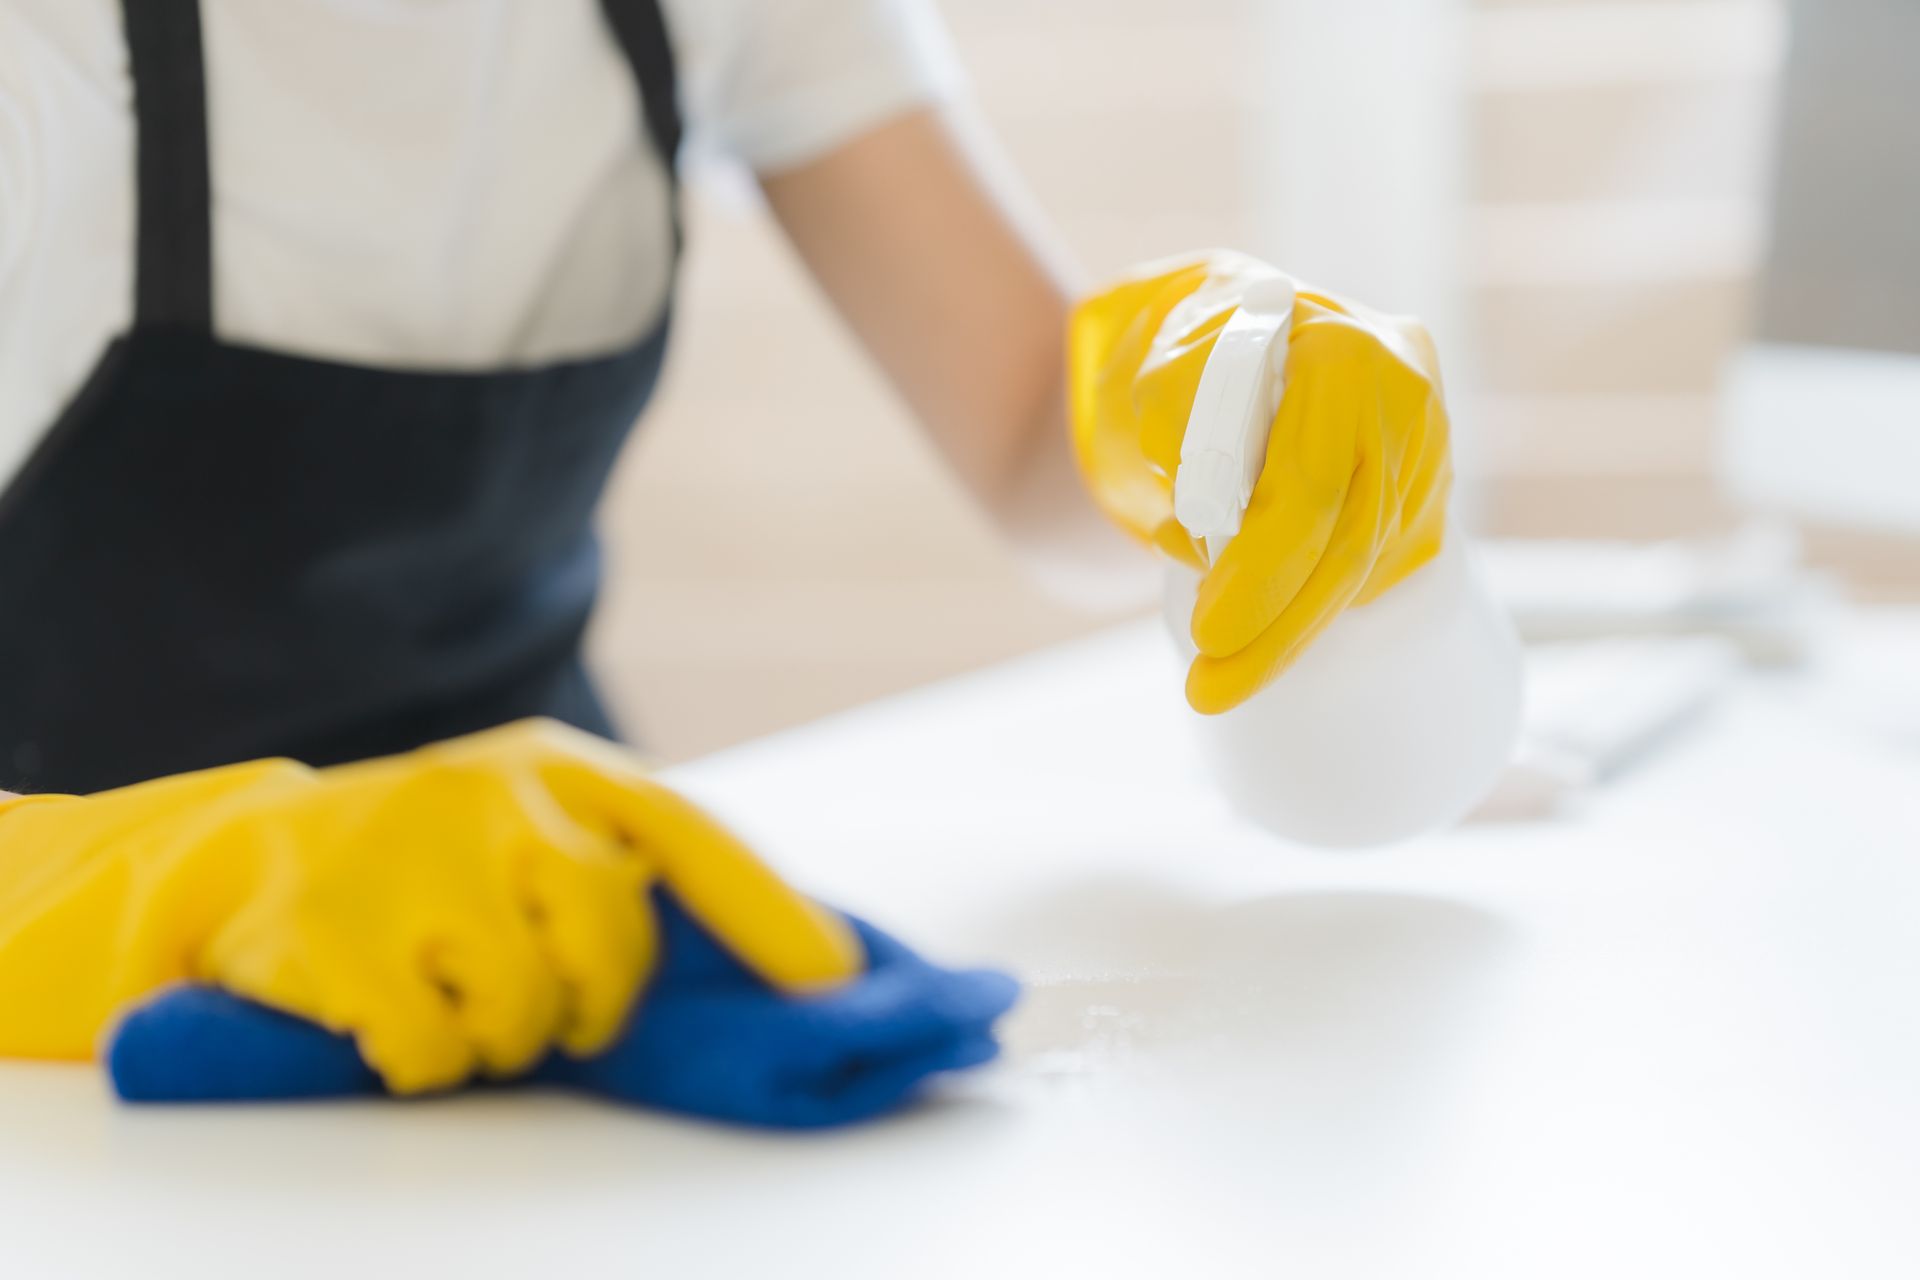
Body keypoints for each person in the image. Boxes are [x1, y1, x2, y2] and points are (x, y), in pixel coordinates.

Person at [0, 0, 1449, 1090]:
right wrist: (186, 882)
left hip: (563, 962)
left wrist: (1192, 406)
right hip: (73, 1066)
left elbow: (1023, 436)